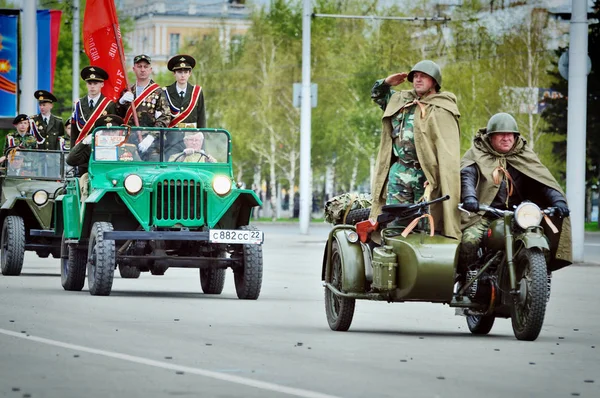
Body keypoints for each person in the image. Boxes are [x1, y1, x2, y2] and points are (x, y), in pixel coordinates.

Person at [459, 112, 572, 273]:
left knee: (542, 243)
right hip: (485, 214)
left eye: (510, 134)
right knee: (469, 241)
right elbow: (467, 176)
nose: (506, 138)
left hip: (520, 216)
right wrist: (470, 198)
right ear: (491, 137)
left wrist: (558, 200)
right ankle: (469, 276)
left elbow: (542, 181)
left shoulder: (524, 155)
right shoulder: (476, 153)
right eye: (501, 135)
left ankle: (538, 280)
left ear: (516, 136)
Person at [369, 60, 462, 239]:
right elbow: (377, 96)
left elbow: (447, 149)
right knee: (394, 226)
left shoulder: (442, 107)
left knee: (426, 228)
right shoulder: (401, 100)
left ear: (434, 81)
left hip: (427, 176)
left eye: (423, 77)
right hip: (399, 173)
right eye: (415, 77)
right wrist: (386, 83)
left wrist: (434, 176)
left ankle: (422, 265)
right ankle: (390, 265)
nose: (418, 80)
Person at [67, 115, 140, 200]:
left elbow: (139, 168)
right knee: (84, 180)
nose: (109, 134)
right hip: (98, 181)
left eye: (113, 131)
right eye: (105, 131)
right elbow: (71, 160)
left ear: (119, 132)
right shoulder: (92, 148)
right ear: (100, 133)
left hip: (125, 183)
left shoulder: (129, 148)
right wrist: (84, 142)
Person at [116, 54, 171, 160]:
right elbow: (119, 115)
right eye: (139, 66)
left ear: (150, 70)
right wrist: (121, 102)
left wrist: (151, 137)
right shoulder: (128, 91)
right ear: (134, 69)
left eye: (145, 67)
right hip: (129, 141)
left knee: (154, 169)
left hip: (152, 145)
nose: (142, 70)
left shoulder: (158, 92)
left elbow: (165, 116)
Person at [163, 54, 206, 159]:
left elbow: (201, 119)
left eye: (185, 72)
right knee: (172, 168)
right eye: (179, 72)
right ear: (174, 73)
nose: (182, 75)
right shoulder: (165, 92)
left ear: (190, 73)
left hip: (193, 141)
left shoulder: (197, 92)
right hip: (172, 142)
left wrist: (202, 142)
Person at [70, 66, 117, 150]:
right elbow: (74, 132)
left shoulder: (109, 105)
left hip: (101, 149)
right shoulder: (78, 104)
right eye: (89, 83)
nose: (92, 86)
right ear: (86, 84)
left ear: (102, 84)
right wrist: (72, 151)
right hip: (81, 150)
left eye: (95, 83)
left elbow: (112, 131)